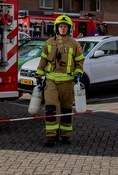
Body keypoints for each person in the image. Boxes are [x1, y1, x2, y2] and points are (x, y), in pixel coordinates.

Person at [35, 14, 85, 147]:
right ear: (57, 28)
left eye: (65, 27)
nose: (63, 29)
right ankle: (51, 136)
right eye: (61, 26)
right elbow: (43, 60)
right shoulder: (49, 42)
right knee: (50, 108)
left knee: (66, 110)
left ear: (69, 28)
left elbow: (80, 62)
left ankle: (65, 135)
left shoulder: (75, 44)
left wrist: (78, 73)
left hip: (68, 83)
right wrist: (39, 75)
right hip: (51, 81)